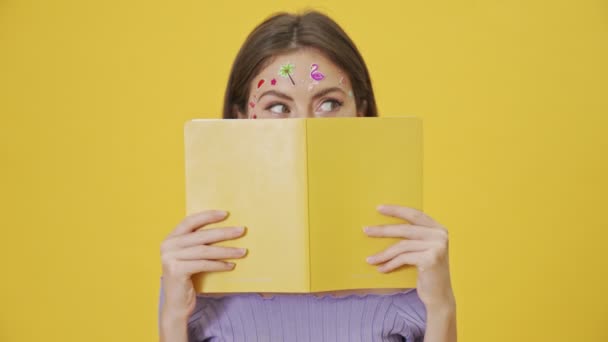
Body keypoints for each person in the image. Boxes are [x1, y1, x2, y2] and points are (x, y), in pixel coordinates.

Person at [159, 10, 456, 342]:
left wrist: (441, 307)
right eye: (278, 107)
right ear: (240, 116)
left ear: (360, 112)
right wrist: (172, 317)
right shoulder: (196, 273)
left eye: (329, 103)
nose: (304, 126)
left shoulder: (410, 260)